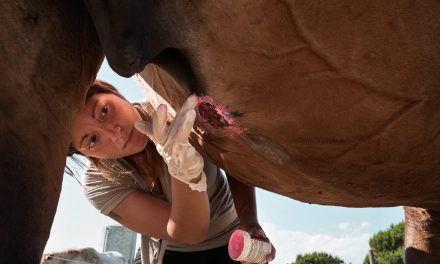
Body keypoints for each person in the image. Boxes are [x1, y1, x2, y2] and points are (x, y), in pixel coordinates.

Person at [68, 80, 276, 264]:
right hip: (172, 253)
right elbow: (190, 233)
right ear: (83, 153)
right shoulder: (98, 182)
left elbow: (234, 154)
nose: (115, 134)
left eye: (104, 111)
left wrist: (249, 221)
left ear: (112, 91)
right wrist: (183, 172)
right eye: (92, 140)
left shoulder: (177, 109)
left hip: (233, 238)